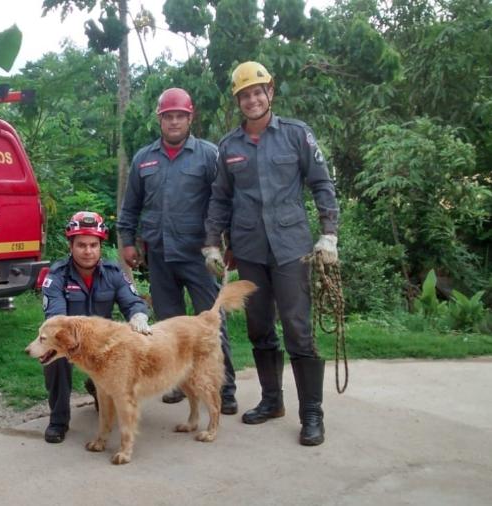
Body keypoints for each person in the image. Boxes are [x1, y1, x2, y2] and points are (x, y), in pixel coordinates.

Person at [203, 61, 340, 446]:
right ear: (238, 101)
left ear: (270, 92)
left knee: (297, 328)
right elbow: (220, 198)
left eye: (257, 92)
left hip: (291, 248)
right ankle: (272, 400)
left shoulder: (297, 135)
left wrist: (329, 235)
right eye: (244, 95)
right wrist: (212, 243)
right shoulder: (229, 146)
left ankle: (311, 413)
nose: (252, 100)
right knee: (259, 327)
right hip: (249, 250)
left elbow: (322, 184)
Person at [117, 87, 238, 414]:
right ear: (160, 120)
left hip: (199, 256)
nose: (174, 122)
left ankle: (224, 389)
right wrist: (127, 242)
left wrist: (229, 244)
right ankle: (179, 384)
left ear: (190, 118)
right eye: (168, 116)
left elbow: (224, 202)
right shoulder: (144, 158)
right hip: (158, 255)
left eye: (180, 116)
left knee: (211, 323)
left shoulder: (209, 155)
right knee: (169, 327)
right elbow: (130, 207)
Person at [40, 211, 152, 444]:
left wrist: (138, 316)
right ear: (71, 246)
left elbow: (132, 302)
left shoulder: (113, 273)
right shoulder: (57, 276)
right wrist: (72, 345)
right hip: (68, 340)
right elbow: (56, 319)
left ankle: (99, 388)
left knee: (130, 344)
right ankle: (58, 420)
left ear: (100, 246)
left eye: (93, 245)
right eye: (81, 245)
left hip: (102, 344)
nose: (88, 251)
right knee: (54, 358)